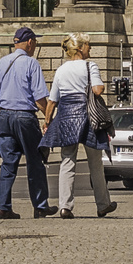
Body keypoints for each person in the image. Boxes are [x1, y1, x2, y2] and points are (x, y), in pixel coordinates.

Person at [40, 32, 117, 218]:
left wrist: (47, 122)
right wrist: (95, 86)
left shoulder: (61, 70)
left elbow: (52, 101)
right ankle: (102, 204)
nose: (90, 48)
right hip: (89, 117)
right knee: (95, 163)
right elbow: (98, 90)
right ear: (80, 48)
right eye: (88, 45)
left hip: (66, 116)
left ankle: (65, 206)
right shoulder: (91, 66)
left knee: (67, 161)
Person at [0, 26, 54, 220]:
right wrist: (49, 118)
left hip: (5, 117)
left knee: (8, 164)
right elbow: (40, 97)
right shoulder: (31, 64)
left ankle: (3, 207)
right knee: (35, 161)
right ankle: (40, 206)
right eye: (35, 43)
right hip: (25, 117)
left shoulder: (2, 62)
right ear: (30, 42)